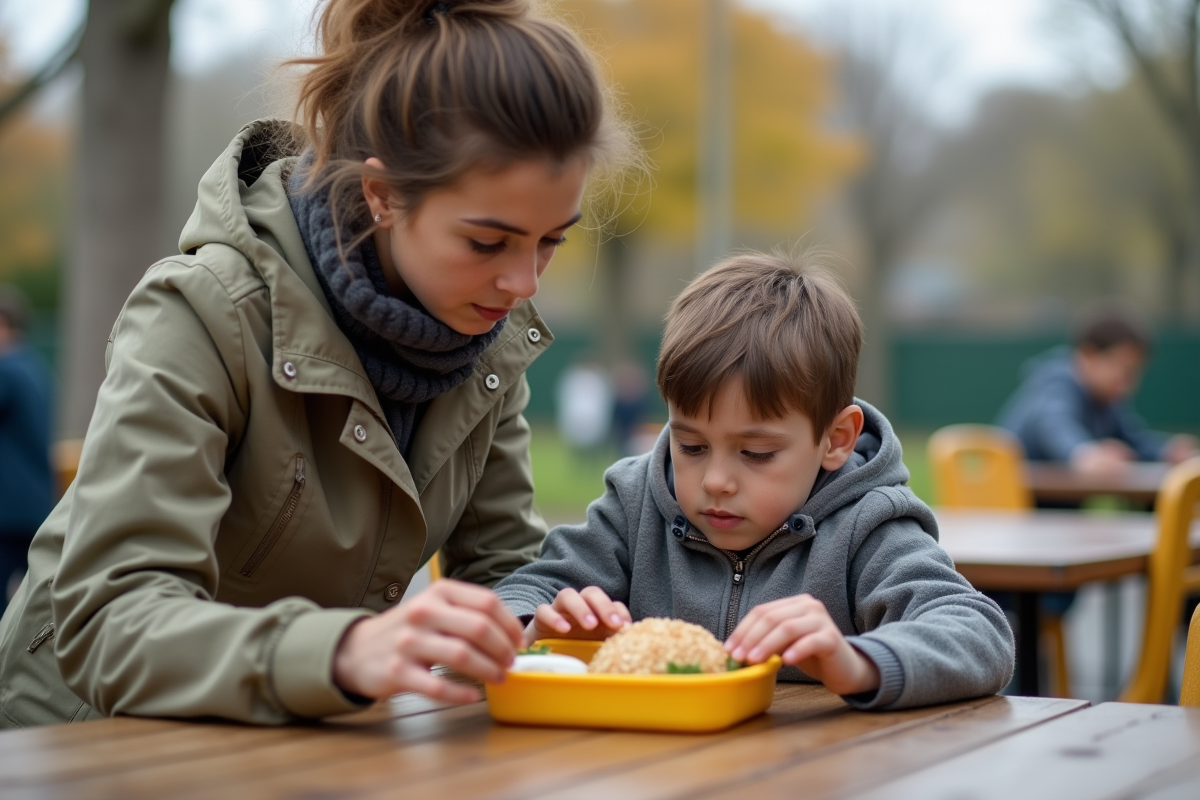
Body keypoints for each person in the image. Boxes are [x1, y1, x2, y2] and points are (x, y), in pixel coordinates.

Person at [0, 0, 637, 727]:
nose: (525, 284)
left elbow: (500, 567)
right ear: (382, 194)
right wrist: (340, 653)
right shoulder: (205, 311)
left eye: (551, 240)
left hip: (293, 743)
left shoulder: (492, 337)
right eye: (488, 244)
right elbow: (107, 623)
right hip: (85, 743)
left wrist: (534, 620)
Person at [494, 253, 1014, 709]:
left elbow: (979, 634)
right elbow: (527, 588)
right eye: (691, 446)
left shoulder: (869, 526)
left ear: (835, 439)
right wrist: (542, 626)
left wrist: (856, 662)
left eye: (756, 453)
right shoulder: (634, 504)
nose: (715, 480)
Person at [998, 309, 1198, 475]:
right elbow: (1055, 425)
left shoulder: (1106, 399)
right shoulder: (1056, 387)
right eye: (1123, 369)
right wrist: (1083, 453)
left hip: (1055, 511)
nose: (1128, 382)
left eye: (1135, 373)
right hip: (1015, 508)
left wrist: (1166, 451)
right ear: (1090, 356)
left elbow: (1132, 438)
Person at [0, 286, 54, 612]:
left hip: (7, 512)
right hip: (35, 504)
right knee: (36, 601)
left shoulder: (7, 370)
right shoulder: (35, 367)